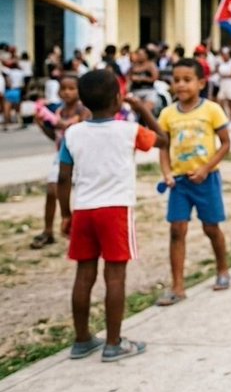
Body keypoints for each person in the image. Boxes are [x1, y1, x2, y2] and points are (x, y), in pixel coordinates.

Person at [58, 69, 167, 362]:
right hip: (116, 211)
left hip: (83, 211)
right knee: (115, 277)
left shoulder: (73, 133)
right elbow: (163, 140)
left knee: (84, 276)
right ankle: (114, 343)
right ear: (119, 98)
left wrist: (65, 214)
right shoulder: (128, 130)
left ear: (82, 100)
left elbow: (63, 178)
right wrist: (142, 107)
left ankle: (82, 340)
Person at [156, 58, 231, 305]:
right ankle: (177, 286)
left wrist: (206, 168)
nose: (181, 85)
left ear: (201, 82)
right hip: (179, 183)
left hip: (206, 180)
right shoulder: (167, 114)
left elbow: (225, 143)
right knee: (177, 230)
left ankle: (222, 269)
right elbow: (164, 148)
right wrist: (166, 172)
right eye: (176, 80)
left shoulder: (211, 110)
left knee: (211, 228)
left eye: (187, 80)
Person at [32, 74, 89, 249]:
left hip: (81, 158)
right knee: (51, 190)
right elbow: (56, 136)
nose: (67, 92)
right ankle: (48, 230)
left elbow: (67, 126)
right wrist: (43, 126)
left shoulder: (82, 111)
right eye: (63, 89)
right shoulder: (59, 111)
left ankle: (80, 230)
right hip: (62, 157)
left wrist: (51, 120)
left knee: (83, 196)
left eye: (71, 88)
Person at [215, 47, 231, 123]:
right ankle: (225, 118)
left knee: (230, 103)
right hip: (222, 84)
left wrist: (225, 76)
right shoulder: (220, 62)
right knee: (220, 101)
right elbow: (217, 72)